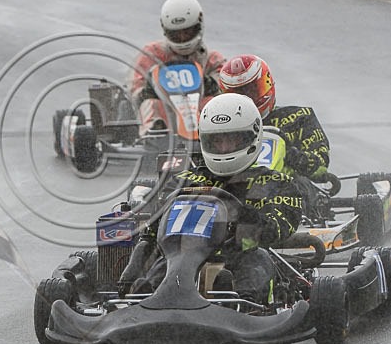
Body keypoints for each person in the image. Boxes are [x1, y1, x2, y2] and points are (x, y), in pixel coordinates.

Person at [120, 93, 303, 305]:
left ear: (251, 137)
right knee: (163, 263)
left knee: (257, 259)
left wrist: (242, 215)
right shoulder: (184, 179)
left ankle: (247, 306)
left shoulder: (275, 182)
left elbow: (280, 229)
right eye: (217, 140)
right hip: (182, 257)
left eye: (232, 140)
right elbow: (155, 230)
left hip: (239, 256)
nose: (224, 148)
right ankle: (146, 300)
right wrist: (134, 266)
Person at [217, 54, 330, 181]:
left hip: (289, 192)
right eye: (238, 95)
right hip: (232, 190)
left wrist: (295, 157)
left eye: (251, 91)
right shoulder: (219, 126)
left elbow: (321, 163)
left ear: (268, 83)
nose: (247, 100)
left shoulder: (299, 118)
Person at [130, 0, 226, 136]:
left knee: (211, 103)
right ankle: (154, 135)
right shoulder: (152, 55)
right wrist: (148, 89)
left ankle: (214, 136)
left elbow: (228, 92)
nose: (182, 38)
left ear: (198, 26)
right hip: (167, 115)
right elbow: (135, 91)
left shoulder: (212, 59)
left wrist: (210, 84)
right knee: (152, 104)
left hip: (200, 118)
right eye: (176, 34)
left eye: (187, 32)